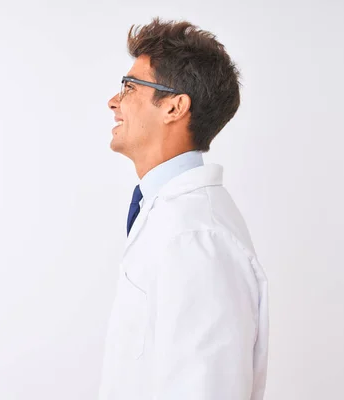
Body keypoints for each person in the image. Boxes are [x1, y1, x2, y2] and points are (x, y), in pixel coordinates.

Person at [99, 17, 269, 400]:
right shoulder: (170, 215)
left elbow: (208, 389)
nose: (113, 101)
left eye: (128, 87)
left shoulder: (197, 237)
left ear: (174, 107)